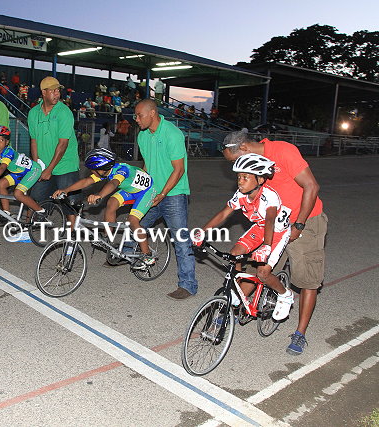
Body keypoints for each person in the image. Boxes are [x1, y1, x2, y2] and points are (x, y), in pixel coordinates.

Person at [221, 128, 326, 355]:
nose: (237, 168)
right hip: (274, 224)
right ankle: (234, 308)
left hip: (305, 220)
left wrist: (299, 224)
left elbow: (311, 186)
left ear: (244, 148)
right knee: (257, 269)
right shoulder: (254, 168)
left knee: (307, 279)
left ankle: (300, 333)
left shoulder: (283, 151)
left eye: (236, 160)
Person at [192, 153, 295, 320]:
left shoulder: (269, 196)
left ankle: (285, 295)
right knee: (234, 255)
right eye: (239, 177)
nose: (240, 181)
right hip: (260, 228)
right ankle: (237, 291)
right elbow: (223, 214)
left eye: (245, 177)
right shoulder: (241, 195)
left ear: (260, 179)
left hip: (277, 232)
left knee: (262, 273)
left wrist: (266, 247)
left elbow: (270, 220)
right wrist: (202, 231)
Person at [52, 148, 157, 270]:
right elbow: (87, 181)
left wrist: (99, 195)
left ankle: (147, 255)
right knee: (111, 203)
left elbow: (113, 183)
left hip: (146, 191)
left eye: (93, 169)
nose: (91, 172)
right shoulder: (106, 171)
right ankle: (107, 236)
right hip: (131, 190)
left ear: (102, 169)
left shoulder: (122, 170)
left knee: (132, 220)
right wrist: (66, 190)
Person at [134, 99, 198, 299]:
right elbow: (147, 165)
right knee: (136, 224)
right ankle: (125, 255)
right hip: (153, 193)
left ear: (152, 113)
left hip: (173, 194)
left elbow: (179, 170)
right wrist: (138, 188)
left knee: (181, 241)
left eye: (139, 115)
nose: (136, 120)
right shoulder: (143, 136)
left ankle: (188, 285)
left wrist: (163, 194)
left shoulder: (172, 134)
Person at [27, 76, 80, 212]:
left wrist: (49, 170)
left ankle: (72, 226)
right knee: (35, 200)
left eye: (58, 90)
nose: (57, 94)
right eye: (53, 91)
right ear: (44, 92)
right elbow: (34, 140)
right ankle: (33, 224)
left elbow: (63, 144)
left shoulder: (64, 112)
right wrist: (37, 166)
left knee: (70, 204)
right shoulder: (33, 113)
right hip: (45, 166)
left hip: (65, 166)